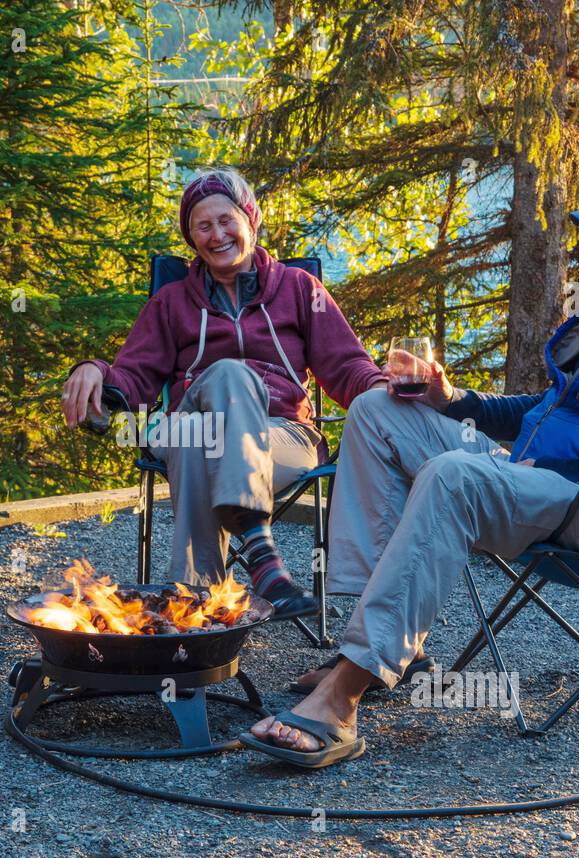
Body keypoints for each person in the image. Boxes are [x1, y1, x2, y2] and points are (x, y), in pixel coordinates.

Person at [243, 165, 579, 767]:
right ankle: (373, 642)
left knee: (454, 478)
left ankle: (341, 700)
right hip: (545, 479)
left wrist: (549, 468)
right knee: (379, 409)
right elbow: (547, 409)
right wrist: (452, 402)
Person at [61, 167, 387, 618]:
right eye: (203, 226)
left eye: (226, 220)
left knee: (196, 436)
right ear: (191, 238)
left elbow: (346, 365)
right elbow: (133, 378)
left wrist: (380, 384)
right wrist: (94, 370)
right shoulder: (171, 302)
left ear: (250, 220)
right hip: (190, 419)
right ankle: (261, 552)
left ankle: (195, 609)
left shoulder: (299, 289)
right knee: (219, 390)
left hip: (282, 435)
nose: (217, 235)